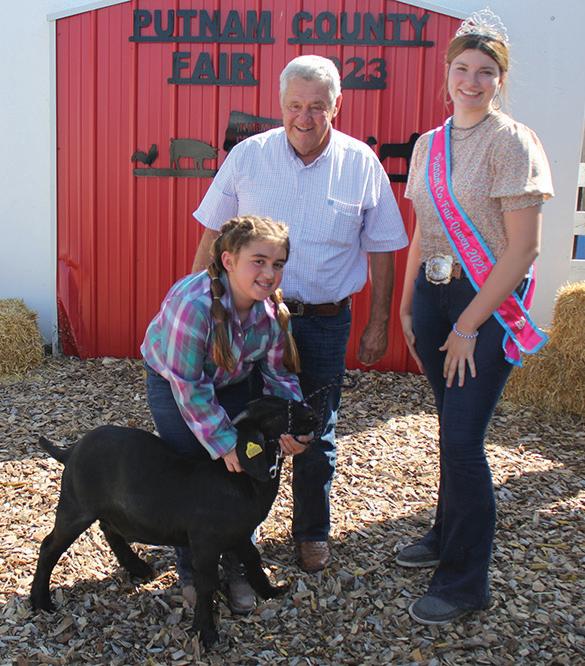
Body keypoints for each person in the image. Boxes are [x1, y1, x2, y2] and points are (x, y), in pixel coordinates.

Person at [191, 54, 408, 575]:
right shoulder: (249, 156)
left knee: (315, 430)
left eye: (316, 107)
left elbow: (382, 250)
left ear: (337, 105)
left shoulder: (361, 163)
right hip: (247, 319)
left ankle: (311, 532)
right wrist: (197, 305)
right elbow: (213, 234)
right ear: (280, 103)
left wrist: (378, 323)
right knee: (246, 420)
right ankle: (240, 531)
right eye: (294, 106)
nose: (304, 118)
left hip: (324, 322)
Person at [398, 8, 554, 625]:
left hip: (481, 308)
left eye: (485, 71)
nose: (471, 80)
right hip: (433, 300)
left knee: (463, 441)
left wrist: (467, 326)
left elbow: (524, 249)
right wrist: (408, 301)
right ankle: (444, 534)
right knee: (450, 429)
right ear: (446, 73)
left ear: (500, 79)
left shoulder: (512, 142)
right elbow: (422, 229)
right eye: (462, 68)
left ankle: (466, 582)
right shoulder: (428, 145)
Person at [141, 215, 311, 614]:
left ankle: (237, 565)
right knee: (194, 469)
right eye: (258, 261)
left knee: (246, 469)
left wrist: (290, 426)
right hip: (174, 381)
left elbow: (280, 376)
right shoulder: (193, 305)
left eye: (278, 264)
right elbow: (189, 385)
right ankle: (192, 572)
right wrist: (223, 441)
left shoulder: (272, 314)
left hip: (231, 381)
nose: (269, 274)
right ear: (229, 260)